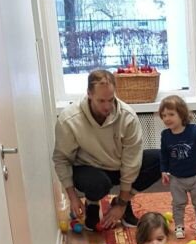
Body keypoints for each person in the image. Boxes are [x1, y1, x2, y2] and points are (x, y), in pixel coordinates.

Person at [52, 68, 162, 231]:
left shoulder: (128, 117)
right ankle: (92, 203)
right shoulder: (69, 119)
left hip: (118, 166)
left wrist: (122, 204)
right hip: (89, 170)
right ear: (89, 94)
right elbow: (61, 159)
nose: (107, 106)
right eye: (101, 101)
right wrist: (73, 197)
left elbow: (131, 162)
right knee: (98, 184)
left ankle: (122, 201)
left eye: (111, 100)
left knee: (162, 158)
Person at [159, 95, 196, 241]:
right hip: (176, 178)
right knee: (178, 204)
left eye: (171, 114)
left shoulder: (194, 131)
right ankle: (179, 226)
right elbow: (163, 154)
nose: (167, 118)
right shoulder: (165, 135)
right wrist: (163, 170)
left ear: (182, 114)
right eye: (164, 115)